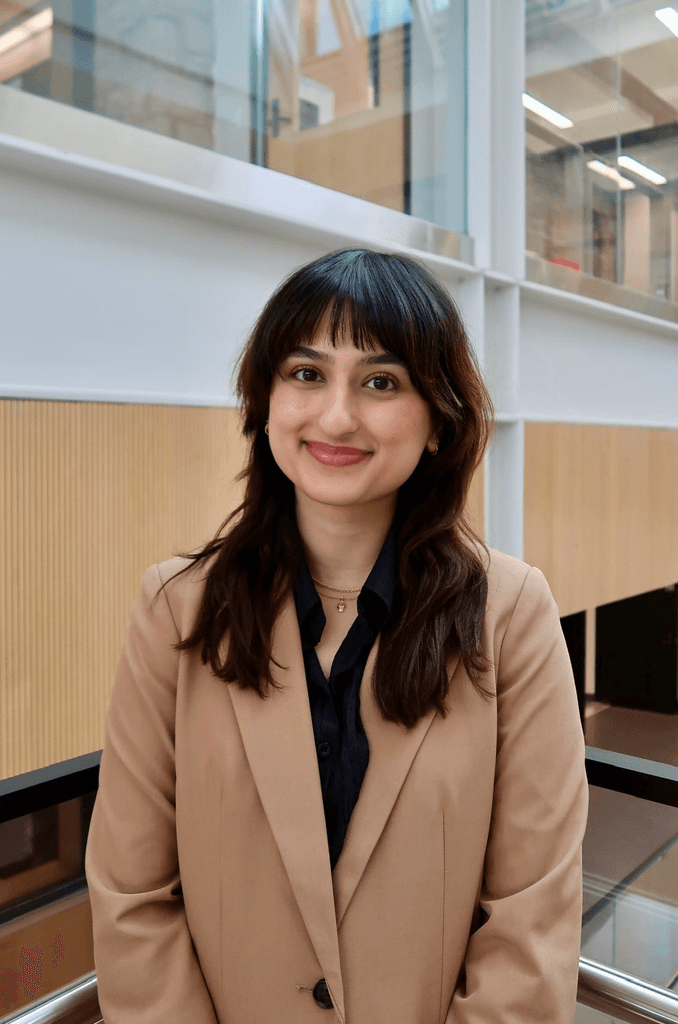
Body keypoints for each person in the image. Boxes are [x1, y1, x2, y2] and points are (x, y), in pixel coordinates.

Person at [85, 248, 588, 1024]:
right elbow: (131, 895)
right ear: (264, 401)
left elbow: (530, 920)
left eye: (381, 382)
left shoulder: (511, 613)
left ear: (436, 421)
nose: (336, 417)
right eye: (306, 374)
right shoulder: (177, 609)